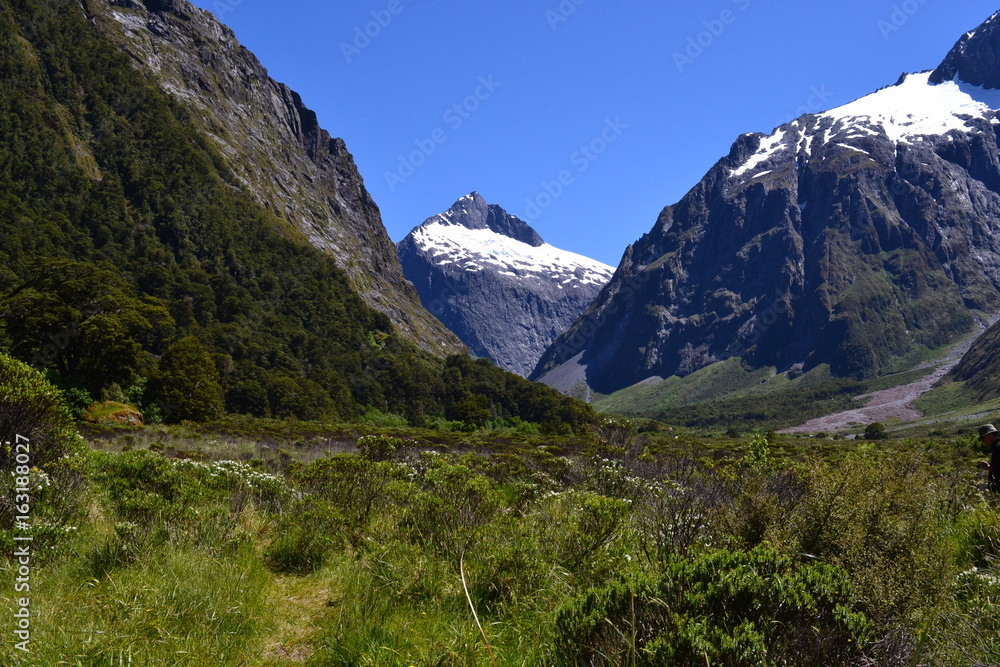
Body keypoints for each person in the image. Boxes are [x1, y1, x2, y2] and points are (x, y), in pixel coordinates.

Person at [977, 424, 1000, 493]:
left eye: (983, 438)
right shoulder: (996, 446)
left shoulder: (998, 448)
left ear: (989, 435)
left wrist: (987, 467)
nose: (983, 441)